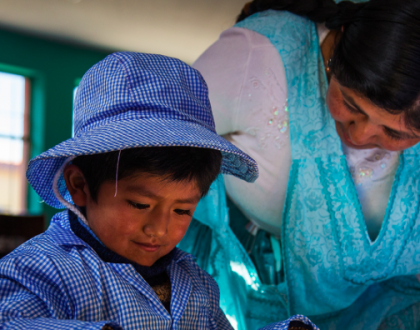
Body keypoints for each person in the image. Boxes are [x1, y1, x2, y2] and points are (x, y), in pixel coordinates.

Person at [0, 52, 318, 330]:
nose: (159, 230)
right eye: (140, 204)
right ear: (80, 185)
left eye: (182, 210)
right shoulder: (37, 270)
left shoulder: (193, 282)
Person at [179, 0, 420, 329]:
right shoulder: (258, 60)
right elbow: (159, 154)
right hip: (249, 295)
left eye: (394, 132)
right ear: (340, 44)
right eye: (350, 104)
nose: (361, 135)